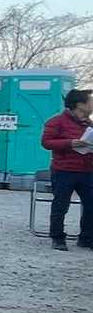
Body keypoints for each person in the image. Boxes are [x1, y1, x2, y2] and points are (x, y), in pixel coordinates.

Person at [41, 88, 92, 251]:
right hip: (64, 170)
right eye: (90, 101)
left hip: (87, 170)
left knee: (91, 205)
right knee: (61, 205)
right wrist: (70, 143)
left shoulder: (89, 123)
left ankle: (86, 237)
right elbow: (46, 142)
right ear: (79, 104)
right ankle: (57, 238)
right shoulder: (57, 121)